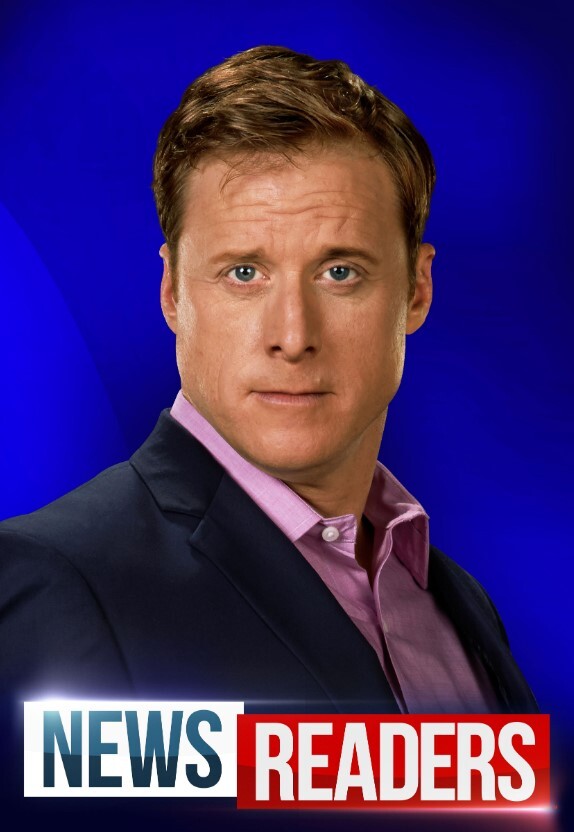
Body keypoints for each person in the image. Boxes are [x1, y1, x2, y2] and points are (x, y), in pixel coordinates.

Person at [0, 45, 537, 714]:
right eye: (244, 273)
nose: (292, 335)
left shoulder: (461, 607)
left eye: (339, 272)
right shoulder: (61, 580)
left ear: (417, 290)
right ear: (172, 293)